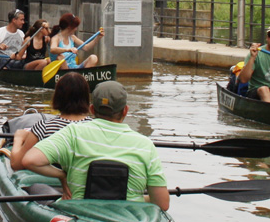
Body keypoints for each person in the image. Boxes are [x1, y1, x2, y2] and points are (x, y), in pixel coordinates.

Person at [22, 81, 170, 210]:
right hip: (129, 220)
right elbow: (162, 204)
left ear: (92, 109)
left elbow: (29, 160)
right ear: (125, 110)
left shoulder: (73, 132)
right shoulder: (146, 145)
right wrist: (137, 198)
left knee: (37, 189)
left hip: (78, 217)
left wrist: (61, 174)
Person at [9, 72, 91, 170]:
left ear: (57, 97)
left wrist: (18, 139)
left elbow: (17, 164)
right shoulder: (96, 127)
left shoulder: (43, 127)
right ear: (86, 98)